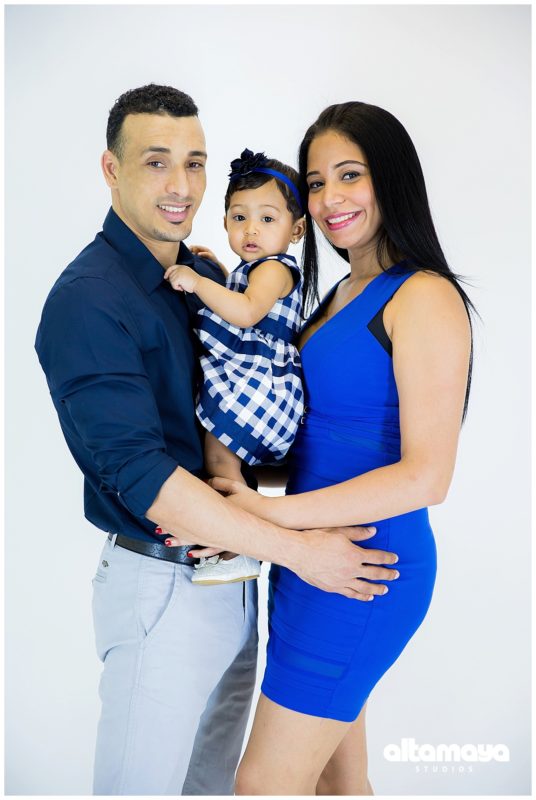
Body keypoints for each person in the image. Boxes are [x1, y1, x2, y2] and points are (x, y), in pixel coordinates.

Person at [34, 85, 400, 796]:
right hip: (161, 588)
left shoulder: (206, 277)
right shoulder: (87, 300)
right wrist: (301, 551)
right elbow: (144, 477)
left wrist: (271, 517)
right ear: (111, 169)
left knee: (212, 789)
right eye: (156, 162)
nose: (181, 186)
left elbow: (251, 424)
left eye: (195, 163)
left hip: (234, 580)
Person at [166, 101, 473, 795]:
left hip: (364, 569)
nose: (330, 197)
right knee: (340, 785)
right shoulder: (338, 294)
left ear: (391, 177)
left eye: (350, 174)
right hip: (308, 562)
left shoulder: (423, 296)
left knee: (263, 786)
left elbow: (427, 477)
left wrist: (262, 517)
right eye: (315, 182)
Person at [164, 148, 306, 585]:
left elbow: (245, 312)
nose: (251, 229)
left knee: (219, 457)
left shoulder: (277, 270)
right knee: (223, 456)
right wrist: (223, 271)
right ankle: (235, 540)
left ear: (296, 229)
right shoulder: (258, 269)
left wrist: (199, 282)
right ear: (225, 222)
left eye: (267, 219)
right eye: (239, 217)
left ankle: (239, 545)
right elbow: (244, 298)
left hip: (260, 382)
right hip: (252, 377)